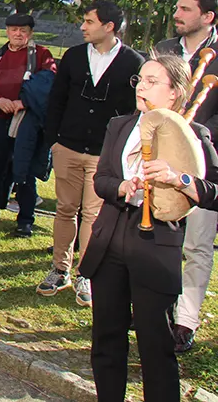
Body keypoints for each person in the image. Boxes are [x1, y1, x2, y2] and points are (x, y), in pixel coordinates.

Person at [80, 54, 218, 402]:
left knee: (155, 346)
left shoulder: (195, 135)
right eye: (140, 79)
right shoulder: (120, 125)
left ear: (175, 93)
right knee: (106, 340)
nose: (141, 86)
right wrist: (123, 188)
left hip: (156, 246)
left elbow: (214, 192)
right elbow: (102, 181)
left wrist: (180, 179)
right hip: (110, 240)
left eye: (152, 81)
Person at [40, 1, 141, 307]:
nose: (82, 27)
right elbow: (55, 100)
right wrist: (53, 141)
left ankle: (86, 273)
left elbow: (134, 112)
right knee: (65, 209)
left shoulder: (133, 62)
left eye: (88, 21)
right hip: (67, 147)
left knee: (94, 215)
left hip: (103, 155)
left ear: (109, 26)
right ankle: (60, 268)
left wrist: (120, 155)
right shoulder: (72, 57)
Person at [156, 0, 218, 353]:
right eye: (177, 6)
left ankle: (186, 320)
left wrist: (194, 139)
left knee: (196, 245)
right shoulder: (166, 50)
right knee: (161, 239)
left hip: (205, 163)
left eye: (185, 9)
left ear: (208, 17)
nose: (177, 13)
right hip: (159, 159)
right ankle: (158, 304)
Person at [0, 13, 57, 237]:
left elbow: (48, 83)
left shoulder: (41, 55)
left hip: (26, 121)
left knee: (24, 169)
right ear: (7, 31)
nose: (18, 34)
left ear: (30, 33)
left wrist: (22, 102)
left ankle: (25, 219)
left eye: (23, 30)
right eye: (14, 30)